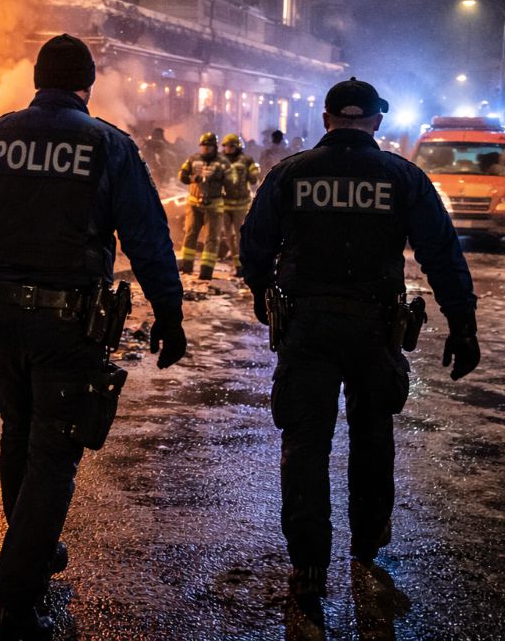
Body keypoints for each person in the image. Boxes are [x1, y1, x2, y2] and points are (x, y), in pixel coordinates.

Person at [0, 34, 187, 640]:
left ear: (37, 79)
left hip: (1, 320)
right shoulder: (109, 145)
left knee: (19, 430)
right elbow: (147, 237)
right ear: (87, 85)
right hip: (69, 324)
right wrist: (169, 313)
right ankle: (13, 606)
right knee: (53, 457)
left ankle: (33, 547)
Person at [240, 77, 480, 624]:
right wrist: (462, 324)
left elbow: (254, 245)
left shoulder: (291, 173)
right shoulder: (402, 176)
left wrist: (261, 292)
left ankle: (308, 565)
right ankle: (368, 541)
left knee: (305, 442)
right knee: (373, 435)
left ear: (327, 119)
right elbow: (441, 253)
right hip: (376, 328)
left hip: (307, 326)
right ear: (376, 121)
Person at [178, 132, 229, 279]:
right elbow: (182, 175)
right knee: (190, 234)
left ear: (215, 146)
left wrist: (221, 177)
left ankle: (206, 272)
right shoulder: (193, 159)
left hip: (214, 205)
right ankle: (186, 268)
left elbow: (232, 181)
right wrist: (193, 178)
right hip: (194, 204)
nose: (206, 148)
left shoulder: (223, 162)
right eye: (204, 145)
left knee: (212, 238)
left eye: (209, 146)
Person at [219, 133, 259, 277]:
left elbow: (254, 179)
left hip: (241, 204)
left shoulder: (247, 160)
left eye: (231, 146)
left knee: (240, 236)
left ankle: (244, 265)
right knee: (228, 236)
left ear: (237, 147)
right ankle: (237, 266)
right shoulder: (219, 160)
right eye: (226, 146)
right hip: (224, 204)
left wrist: (253, 174)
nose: (228, 149)